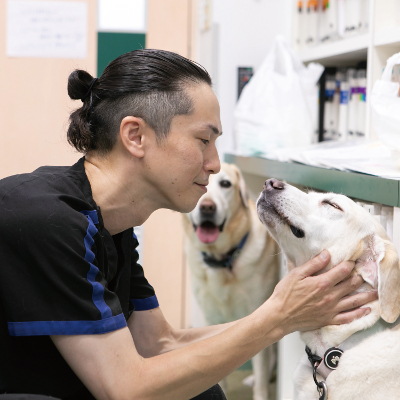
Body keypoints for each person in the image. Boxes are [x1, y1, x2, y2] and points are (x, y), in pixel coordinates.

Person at [0, 49, 377, 400]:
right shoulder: (49, 221)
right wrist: (277, 317)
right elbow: (126, 388)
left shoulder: (110, 226)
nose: (214, 163)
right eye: (203, 140)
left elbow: (160, 343)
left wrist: (294, 315)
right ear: (135, 136)